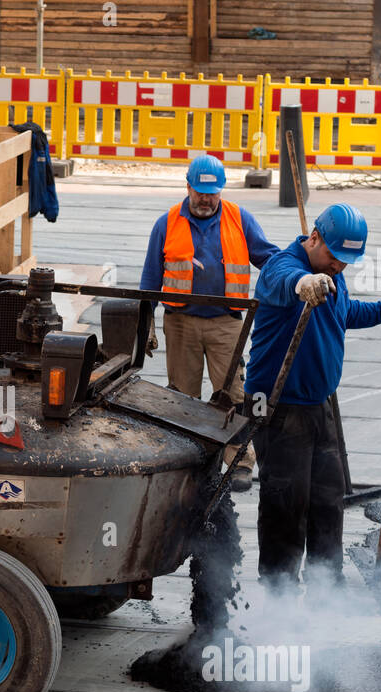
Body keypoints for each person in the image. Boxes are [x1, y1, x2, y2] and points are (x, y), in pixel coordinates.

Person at [245, 202, 381, 593]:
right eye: (333, 256)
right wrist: (302, 284)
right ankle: (279, 590)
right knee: (286, 503)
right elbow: (283, 280)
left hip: (320, 405)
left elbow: (343, 313)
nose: (339, 267)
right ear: (313, 237)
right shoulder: (284, 264)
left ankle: (327, 584)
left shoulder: (331, 274)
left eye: (346, 261)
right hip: (278, 405)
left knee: (328, 500)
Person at [139, 155, 279, 492]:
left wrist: (297, 273)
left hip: (226, 324)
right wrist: (145, 326)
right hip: (181, 323)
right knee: (183, 399)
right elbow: (149, 280)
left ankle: (241, 462)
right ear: (187, 186)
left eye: (212, 193)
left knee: (232, 394)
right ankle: (190, 463)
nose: (206, 199)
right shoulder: (167, 223)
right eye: (200, 192)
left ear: (221, 191)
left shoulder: (239, 219)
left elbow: (269, 258)